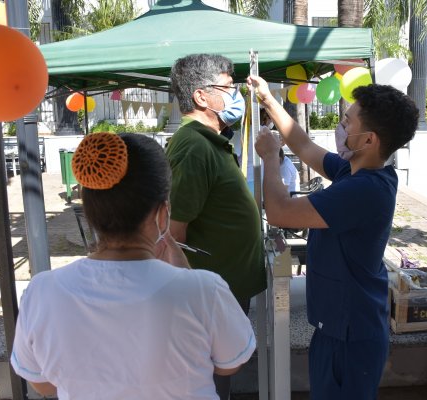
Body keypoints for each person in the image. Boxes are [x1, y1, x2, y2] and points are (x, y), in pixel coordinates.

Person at [10, 133, 255, 400]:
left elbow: (42, 385)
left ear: (90, 211)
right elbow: (230, 363)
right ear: (163, 213)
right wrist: (187, 278)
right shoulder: (204, 289)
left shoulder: (42, 292)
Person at [248, 76, 418, 399]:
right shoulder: (352, 170)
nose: (341, 126)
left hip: (352, 336)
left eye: (347, 121)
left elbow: (281, 212)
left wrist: (271, 157)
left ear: (369, 140)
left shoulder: (365, 190)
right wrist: (268, 99)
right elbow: (305, 146)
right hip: (336, 328)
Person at [166, 54, 266, 400]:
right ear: (201, 97)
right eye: (228, 87)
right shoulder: (194, 146)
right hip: (207, 300)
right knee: (209, 383)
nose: (235, 94)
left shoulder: (209, 143)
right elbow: (173, 235)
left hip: (222, 292)